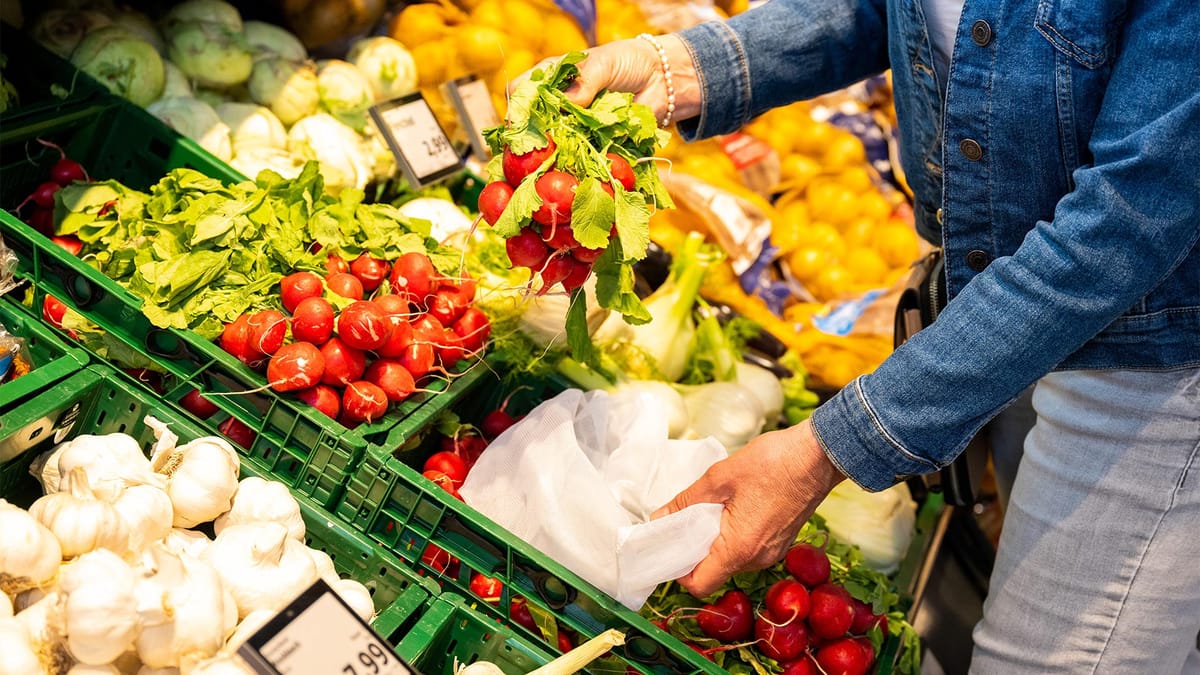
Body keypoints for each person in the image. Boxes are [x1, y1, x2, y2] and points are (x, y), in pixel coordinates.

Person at [525, 0, 1200, 671]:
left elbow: (1133, 214)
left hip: (1157, 347)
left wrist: (828, 448)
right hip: (999, 299)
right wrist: (676, 66)